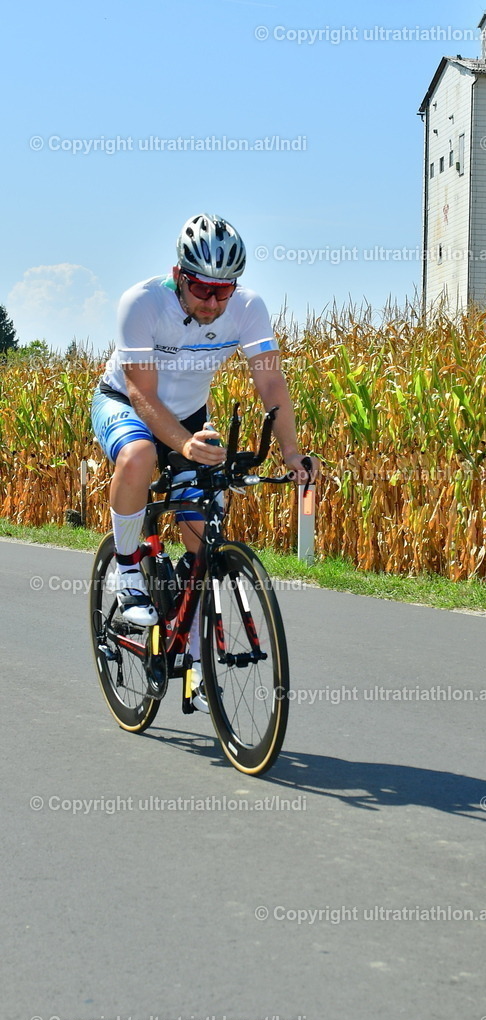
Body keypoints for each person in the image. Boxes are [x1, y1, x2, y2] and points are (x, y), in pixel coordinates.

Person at [91, 212, 318, 710]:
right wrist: (186, 445)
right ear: (178, 275)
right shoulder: (142, 302)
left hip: (191, 413)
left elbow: (270, 383)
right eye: (202, 291)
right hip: (124, 402)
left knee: (202, 530)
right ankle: (128, 572)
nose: (214, 303)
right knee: (140, 453)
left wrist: (291, 452)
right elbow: (141, 393)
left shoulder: (247, 307)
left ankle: (193, 643)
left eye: (224, 291)